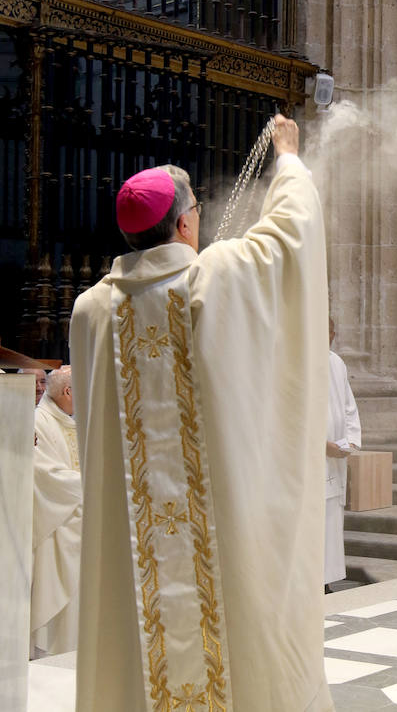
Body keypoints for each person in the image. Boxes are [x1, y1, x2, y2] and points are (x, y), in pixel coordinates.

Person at [69, 114, 333, 712]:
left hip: (131, 548)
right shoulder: (214, 279)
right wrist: (287, 157)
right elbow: (290, 235)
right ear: (185, 222)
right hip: (224, 543)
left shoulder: (91, 312)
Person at [30, 365, 81, 657]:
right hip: (56, 526)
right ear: (68, 392)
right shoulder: (39, 421)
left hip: (78, 521)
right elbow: (43, 473)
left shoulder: (73, 421)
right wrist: (91, 484)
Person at [324, 318, 361, 591]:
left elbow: (349, 407)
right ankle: (312, 582)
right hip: (311, 458)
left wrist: (351, 441)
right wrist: (319, 445)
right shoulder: (292, 361)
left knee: (330, 523)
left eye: (329, 333)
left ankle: (324, 581)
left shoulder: (336, 363)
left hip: (335, 457)